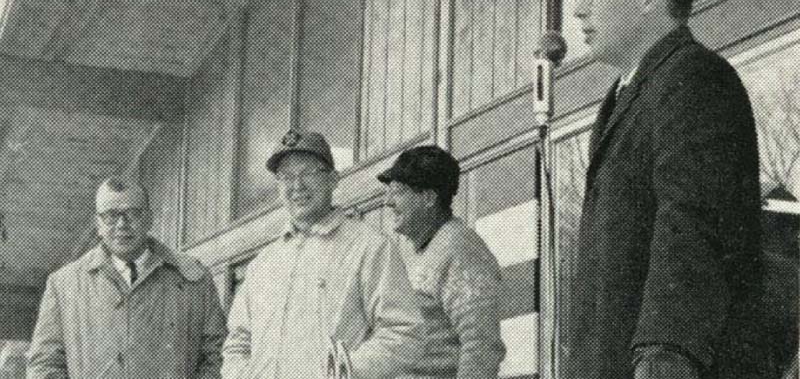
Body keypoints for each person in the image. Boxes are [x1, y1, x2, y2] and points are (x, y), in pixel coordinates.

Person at [567, 0, 763, 379]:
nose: (578, 8)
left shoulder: (694, 80)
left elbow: (693, 227)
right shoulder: (628, 95)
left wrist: (666, 356)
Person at [221, 130, 427, 379]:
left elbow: (404, 332)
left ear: (333, 179)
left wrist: (344, 371)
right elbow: (237, 344)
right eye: (286, 177)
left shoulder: (369, 246)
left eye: (308, 173)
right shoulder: (262, 264)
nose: (297, 186)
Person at [27, 177, 226, 379]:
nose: (122, 224)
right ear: (98, 224)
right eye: (110, 216)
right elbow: (45, 366)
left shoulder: (193, 279)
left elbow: (217, 357)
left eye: (133, 213)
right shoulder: (64, 285)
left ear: (149, 218)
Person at [378, 145, 506, 379]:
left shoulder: (459, 249)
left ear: (428, 197)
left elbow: (481, 346)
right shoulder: (410, 250)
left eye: (398, 191)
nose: (387, 201)